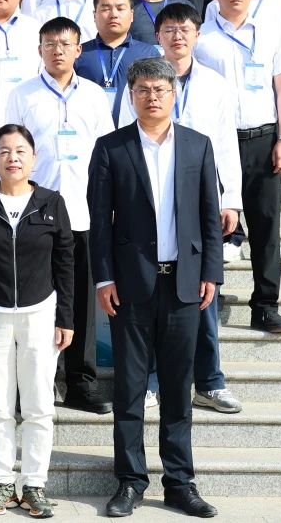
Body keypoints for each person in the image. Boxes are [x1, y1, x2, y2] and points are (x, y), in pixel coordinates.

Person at [91, 57, 222, 519]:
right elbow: (99, 220)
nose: (152, 97)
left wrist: (211, 273)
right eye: (143, 90)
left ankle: (180, 482)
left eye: (160, 89)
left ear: (173, 94)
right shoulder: (111, 147)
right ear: (131, 96)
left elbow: (209, 216)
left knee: (177, 388)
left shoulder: (197, 146)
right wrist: (104, 277)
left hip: (184, 284)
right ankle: (130, 481)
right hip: (130, 285)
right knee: (129, 388)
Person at [118, 3, 244, 414]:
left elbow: (225, 143)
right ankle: (153, 382)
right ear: (157, 36)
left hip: (198, 202)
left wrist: (231, 199)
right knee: (153, 298)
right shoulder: (141, 80)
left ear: (197, 35)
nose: (177, 36)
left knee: (200, 293)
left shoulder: (215, 84)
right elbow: (123, 135)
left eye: (184, 29)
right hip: (150, 198)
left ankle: (210, 381)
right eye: (169, 29)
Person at [0, 124, 75, 519]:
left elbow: (65, 263)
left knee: (39, 404)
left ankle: (35, 484)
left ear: (34, 157)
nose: (13, 158)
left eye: (20, 150)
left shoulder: (51, 202)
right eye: (4, 151)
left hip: (40, 312)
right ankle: (2, 482)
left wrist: (66, 317)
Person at [3, 16, 113, 416]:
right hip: (35, 214)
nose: (57, 50)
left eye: (65, 44)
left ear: (79, 50)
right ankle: (34, 382)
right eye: (50, 44)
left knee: (80, 300)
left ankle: (80, 380)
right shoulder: (23, 95)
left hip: (83, 211)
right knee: (34, 300)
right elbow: (10, 152)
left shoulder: (94, 96)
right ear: (39, 50)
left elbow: (106, 153)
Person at [194, 0, 281, 335]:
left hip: (262, 139)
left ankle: (266, 305)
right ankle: (210, 295)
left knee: (266, 224)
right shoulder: (202, 38)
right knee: (213, 222)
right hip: (216, 143)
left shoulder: (269, 32)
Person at [74, 0, 157, 124]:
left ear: (132, 15)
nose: (113, 14)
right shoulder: (78, 53)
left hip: (134, 131)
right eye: (106, 9)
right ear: (94, 15)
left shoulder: (149, 54)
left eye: (120, 8)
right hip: (89, 128)